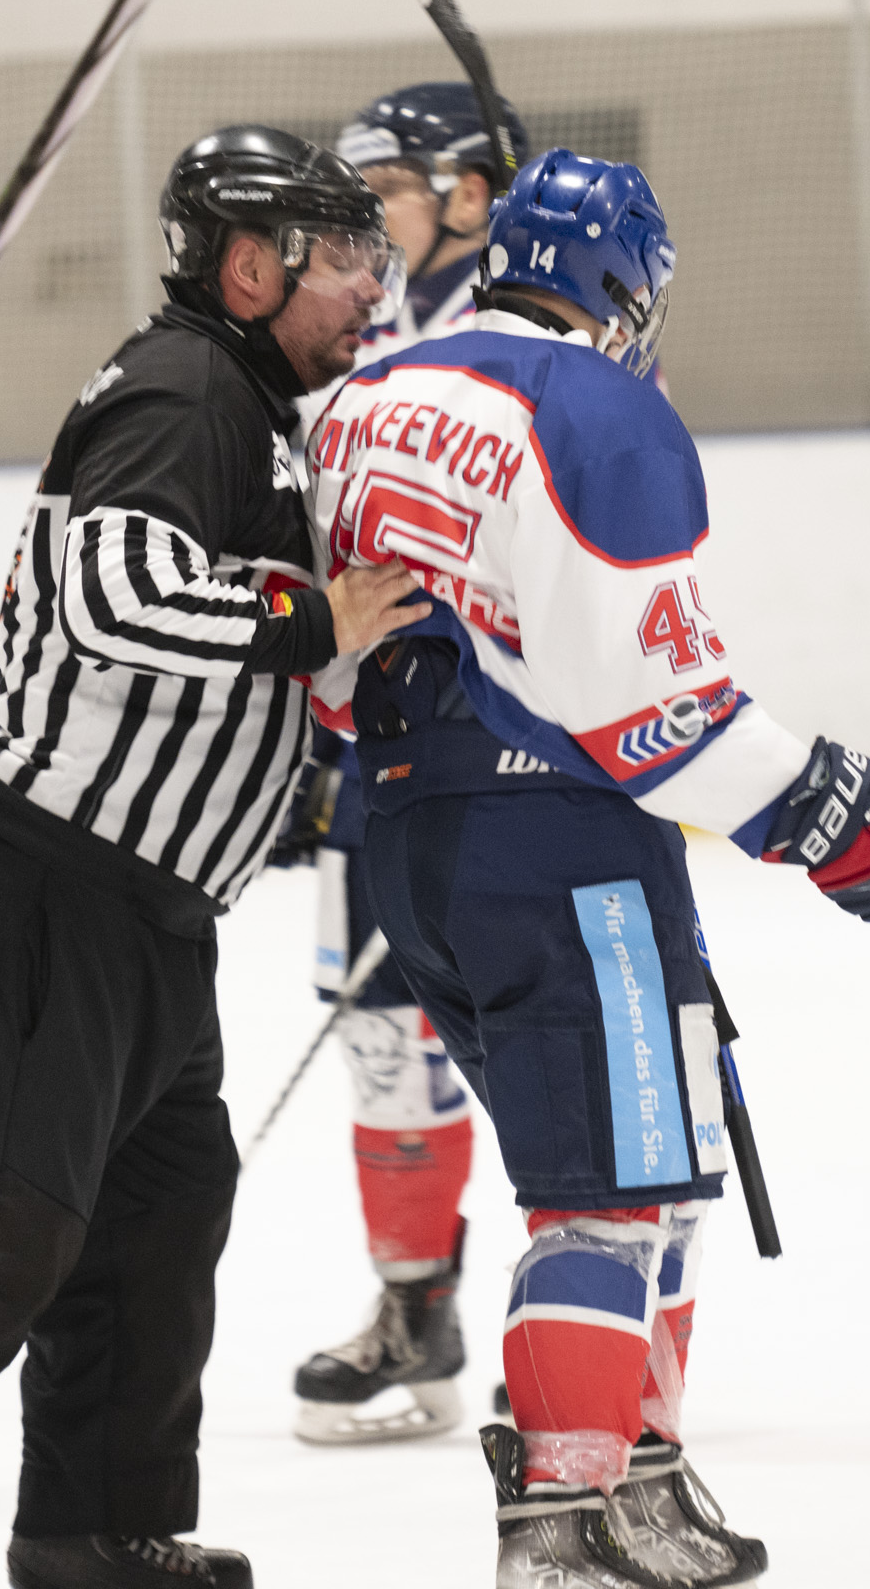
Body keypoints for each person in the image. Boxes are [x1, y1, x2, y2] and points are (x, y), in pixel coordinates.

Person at [0, 126, 434, 1589]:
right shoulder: (184, 389)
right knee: (0, 1217)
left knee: (156, 1210)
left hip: (143, 909)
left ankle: (88, 1533)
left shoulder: (250, 405)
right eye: (341, 258)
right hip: (41, 878)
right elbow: (108, 588)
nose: (368, 287)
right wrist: (313, 626)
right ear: (249, 267)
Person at [304, 150, 870, 1587]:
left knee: (659, 1161)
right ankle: (567, 1519)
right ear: (627, 287)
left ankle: (644, 1479)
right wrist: (820, 809)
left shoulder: (367, 398)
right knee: (606, 1191)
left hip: (409, 840)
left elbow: (345, 663)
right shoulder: (601, 409)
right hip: (563, 847)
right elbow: (650, 717)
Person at [276, 82, 528, 1446]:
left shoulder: (540, 332)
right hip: (367, 752)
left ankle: (576, 1312)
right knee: (384, 1040)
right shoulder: (354, 335)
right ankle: (413, 1311)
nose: (359, 222)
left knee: (527, 1033)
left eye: (384, 193)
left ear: (470, 195)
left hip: (512, 754)